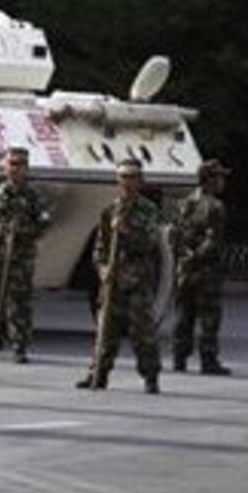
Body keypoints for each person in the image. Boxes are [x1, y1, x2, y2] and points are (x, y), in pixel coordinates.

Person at [77, 159, 163, 394]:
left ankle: (150, 376)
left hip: (137, 280)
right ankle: (98, 373)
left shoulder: (148, 210)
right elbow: (100, 248)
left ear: (140, 181)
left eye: (133, 177)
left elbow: (150, 243)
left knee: (141, 331)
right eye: (123, 177)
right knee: (106, 329)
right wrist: (103, 268)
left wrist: (127, 232)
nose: (128, 182)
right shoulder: (109, 211)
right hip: (113, 279)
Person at [0, 146, 51, 363]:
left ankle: (19, 344)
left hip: (20, 257)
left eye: (20, 165)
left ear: (26, 168)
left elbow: (44, 223)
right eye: (11, 164)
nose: (15, 169)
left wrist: (23, 231)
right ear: (4, 167)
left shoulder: (34, 196)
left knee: (19, 301)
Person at [172, 158, 232, 375]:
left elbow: (174, 235)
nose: (222, 182)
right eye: (219, 177)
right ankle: (208, 359)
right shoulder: (214, 206)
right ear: (209, 180)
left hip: (184, 269)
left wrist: (184, 258)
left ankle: (179, 358)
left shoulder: (183, 203)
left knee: (183, 314)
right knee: (209, 315)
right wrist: (198, 257)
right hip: (206, 270)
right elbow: (212, 240)